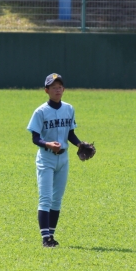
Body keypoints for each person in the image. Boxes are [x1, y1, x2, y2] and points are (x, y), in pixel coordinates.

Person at [27, 73, 85, 248]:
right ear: (47, 90)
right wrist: (48, 144)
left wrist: (80, 144)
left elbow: (70, 133)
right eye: (54, 87)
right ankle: (45, 239)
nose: (57, 90)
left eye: (60, 87)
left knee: (57, 199)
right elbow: (35, 138)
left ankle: (51, 235)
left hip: (63, 159)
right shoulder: (40, 111)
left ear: (63, 89)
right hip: (46, 158)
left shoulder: (69, 108)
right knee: (45, 198)